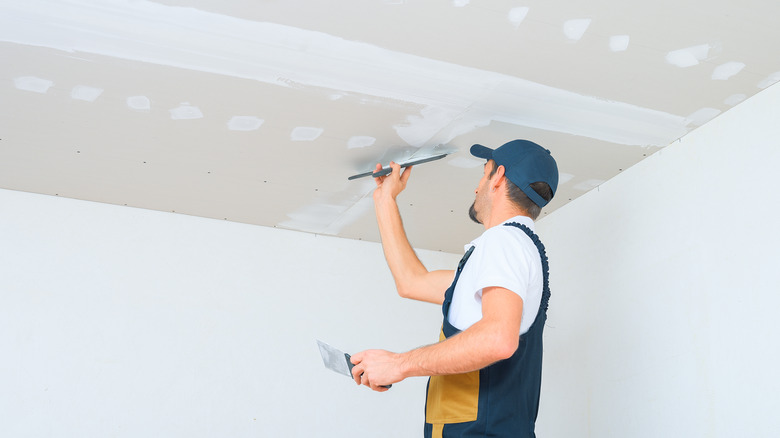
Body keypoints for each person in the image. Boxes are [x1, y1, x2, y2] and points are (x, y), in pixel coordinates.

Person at [349, 139, 559, 438]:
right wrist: (385, 200)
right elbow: (412, 282)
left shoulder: (503, 242)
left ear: (497, 176)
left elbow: (498, 339)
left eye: (483, 173)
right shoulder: (510, 253)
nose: (476, 188)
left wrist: (398, 365)